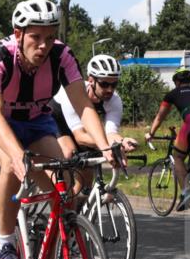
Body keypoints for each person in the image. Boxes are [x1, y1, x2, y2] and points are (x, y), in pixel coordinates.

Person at [0, 0, 116, 259]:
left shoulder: (62, 56)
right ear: (19, 33)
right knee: (12, 164)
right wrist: (16, 154)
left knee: (65, 188)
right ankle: (5, 247)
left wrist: (106, 146)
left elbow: (83, 105)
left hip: (36, 122)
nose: (44, 45)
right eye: (36, 37)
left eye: (50, 37)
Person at [50, 54, 138, 194]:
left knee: (86, 182)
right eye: (104, 84)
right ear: (91, 80)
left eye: (114, 84)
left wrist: (121, 141)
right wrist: (107, 146)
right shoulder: (74, 92)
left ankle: (77, 211)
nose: (110, 89)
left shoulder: (114, 100)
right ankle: (59, 194)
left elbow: (110, 133)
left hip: (83, 127)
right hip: (58, 118)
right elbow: (80, 137)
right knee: (69, 153)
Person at [144, 66, 190, 211]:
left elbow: (160, 116)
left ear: (176, 81)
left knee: (177, 157)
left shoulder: (172, 93)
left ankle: (186, 192)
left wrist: (151, 133)